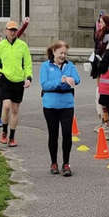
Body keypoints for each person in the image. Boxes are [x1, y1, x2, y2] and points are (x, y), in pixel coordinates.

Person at [39, 41, 81, 176]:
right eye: (61, 53)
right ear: (53, 52)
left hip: (67, 105)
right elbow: (45, 85)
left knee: (67, 134)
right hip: (50, 105)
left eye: (65, 53)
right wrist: (61, 81)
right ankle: (54, 163)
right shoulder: (45, 66)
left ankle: (66, 164)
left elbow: (76, 80)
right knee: (53, 134)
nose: (63, 56)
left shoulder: (70, 66)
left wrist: (67, 80)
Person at [0, 20, 32, 147]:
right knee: (6, 106)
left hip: (18, 81)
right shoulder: (0, 46)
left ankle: (12, 137)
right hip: (4, 79)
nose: (13, 32)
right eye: (10, 30)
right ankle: (4, 132)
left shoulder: (23, 45)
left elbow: (28, 64)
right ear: (6, 31)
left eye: (15, 30)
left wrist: (28, 78)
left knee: (14, 109)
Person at [93, 12, 109, 131]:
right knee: (98, 94)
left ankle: (107, 122)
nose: (99, 24)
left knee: (102, 96)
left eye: (101, 22)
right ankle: (103, 120)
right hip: (99, 67)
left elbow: (107, 54)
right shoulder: (100, 35)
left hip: (105, 68)